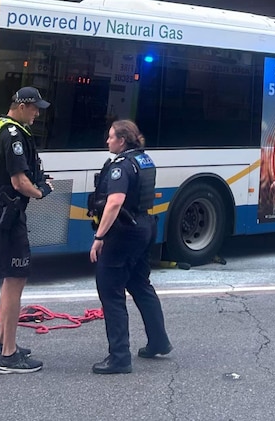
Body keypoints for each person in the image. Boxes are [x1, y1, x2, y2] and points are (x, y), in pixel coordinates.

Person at [88, 120, 171, 374]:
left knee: (111, 292)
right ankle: (158, 341)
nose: (107, 141)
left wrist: (100, 237)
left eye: (111, 137)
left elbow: (114, 202)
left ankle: (119, 358)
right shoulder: (144, 160)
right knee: (140, 285)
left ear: (122, 140)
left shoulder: (121, 167)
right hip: (145, 227)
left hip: (123, 233)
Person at [0, 86, 53, 374]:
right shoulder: (13, 136)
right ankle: (8, 356)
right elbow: (19, 182)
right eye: (35, 108)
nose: (37, 113)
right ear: (22, 105)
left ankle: (1, 344)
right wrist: (42, 191)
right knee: (16, 279)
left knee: (9, 279)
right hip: (8, 212)